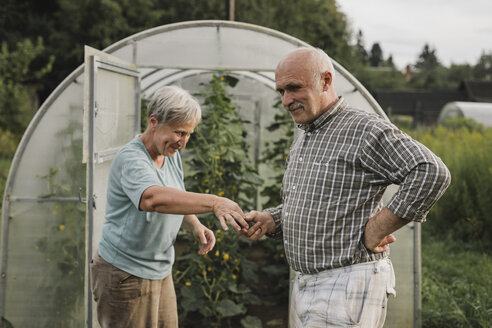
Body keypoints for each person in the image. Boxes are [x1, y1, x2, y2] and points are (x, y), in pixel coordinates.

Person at [243, 47, 451, 327]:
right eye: (281, 91)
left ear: (326, 81)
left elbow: (431, 172)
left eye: (294, 88)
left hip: (346, 282)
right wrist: (274, 219)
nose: (286, 100)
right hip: (310, 283)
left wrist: (376, 230)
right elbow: (318, 198)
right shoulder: (306, 135)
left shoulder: (363, 129)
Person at [90, 85, 248, 328]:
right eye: (179, 132)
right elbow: (153, 199)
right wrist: (214, 202)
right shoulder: (131, 159)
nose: (183, 142)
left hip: (160, 268)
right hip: (125, 272)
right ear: (153, 121)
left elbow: (176, 197)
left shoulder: (170, 155)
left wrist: (195, 224)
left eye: (189, 134)